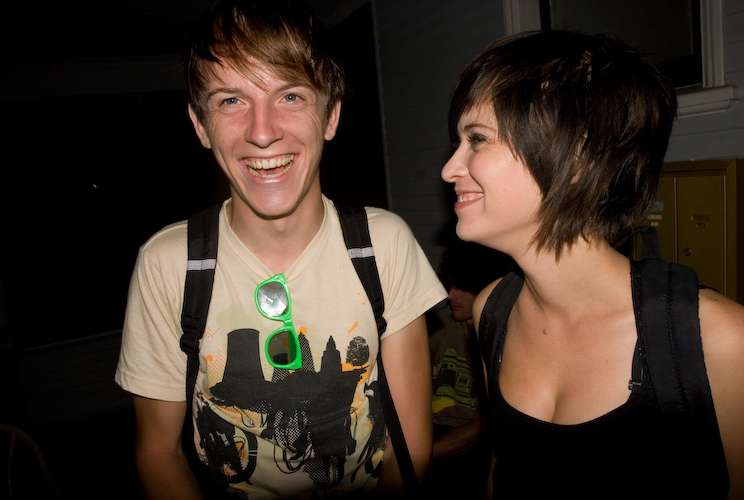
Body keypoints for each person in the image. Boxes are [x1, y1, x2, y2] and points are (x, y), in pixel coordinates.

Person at [115, 1, 447, 498]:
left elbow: (409, 448)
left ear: (330, 115)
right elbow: (158, 453)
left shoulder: (384, 245)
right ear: (200, 125)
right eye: (231, 100)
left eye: (290, 95)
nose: (263, 131)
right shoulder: (168, 264)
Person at [441, 30, 744, 499]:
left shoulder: (718, 339)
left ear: (578, 155)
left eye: (477, 139)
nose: (449, 169)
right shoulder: (492, 310)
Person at [427, 240, 514, 499]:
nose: (450, 295)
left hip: (475, 444)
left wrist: (413, 458)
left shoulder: (505, 336)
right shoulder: (440, 322)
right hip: (431, 428)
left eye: (462, 287)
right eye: (450, 284)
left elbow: (479, 430)